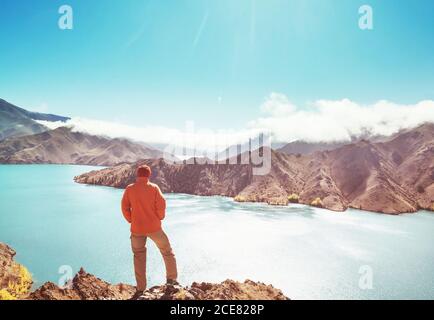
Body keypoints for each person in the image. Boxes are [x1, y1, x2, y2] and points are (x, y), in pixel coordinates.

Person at [121, 165, 178, 300]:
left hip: (137, 229)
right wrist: (159, 217)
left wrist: (131, 219)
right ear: (149, 175)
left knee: (139, 256)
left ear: (137, 175)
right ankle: (171, 281)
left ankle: (141, 289)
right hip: (154, 228)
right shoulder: (153, 188)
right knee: (167, 252)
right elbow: (162, 204)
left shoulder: (130, 189)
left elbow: (124, 207)